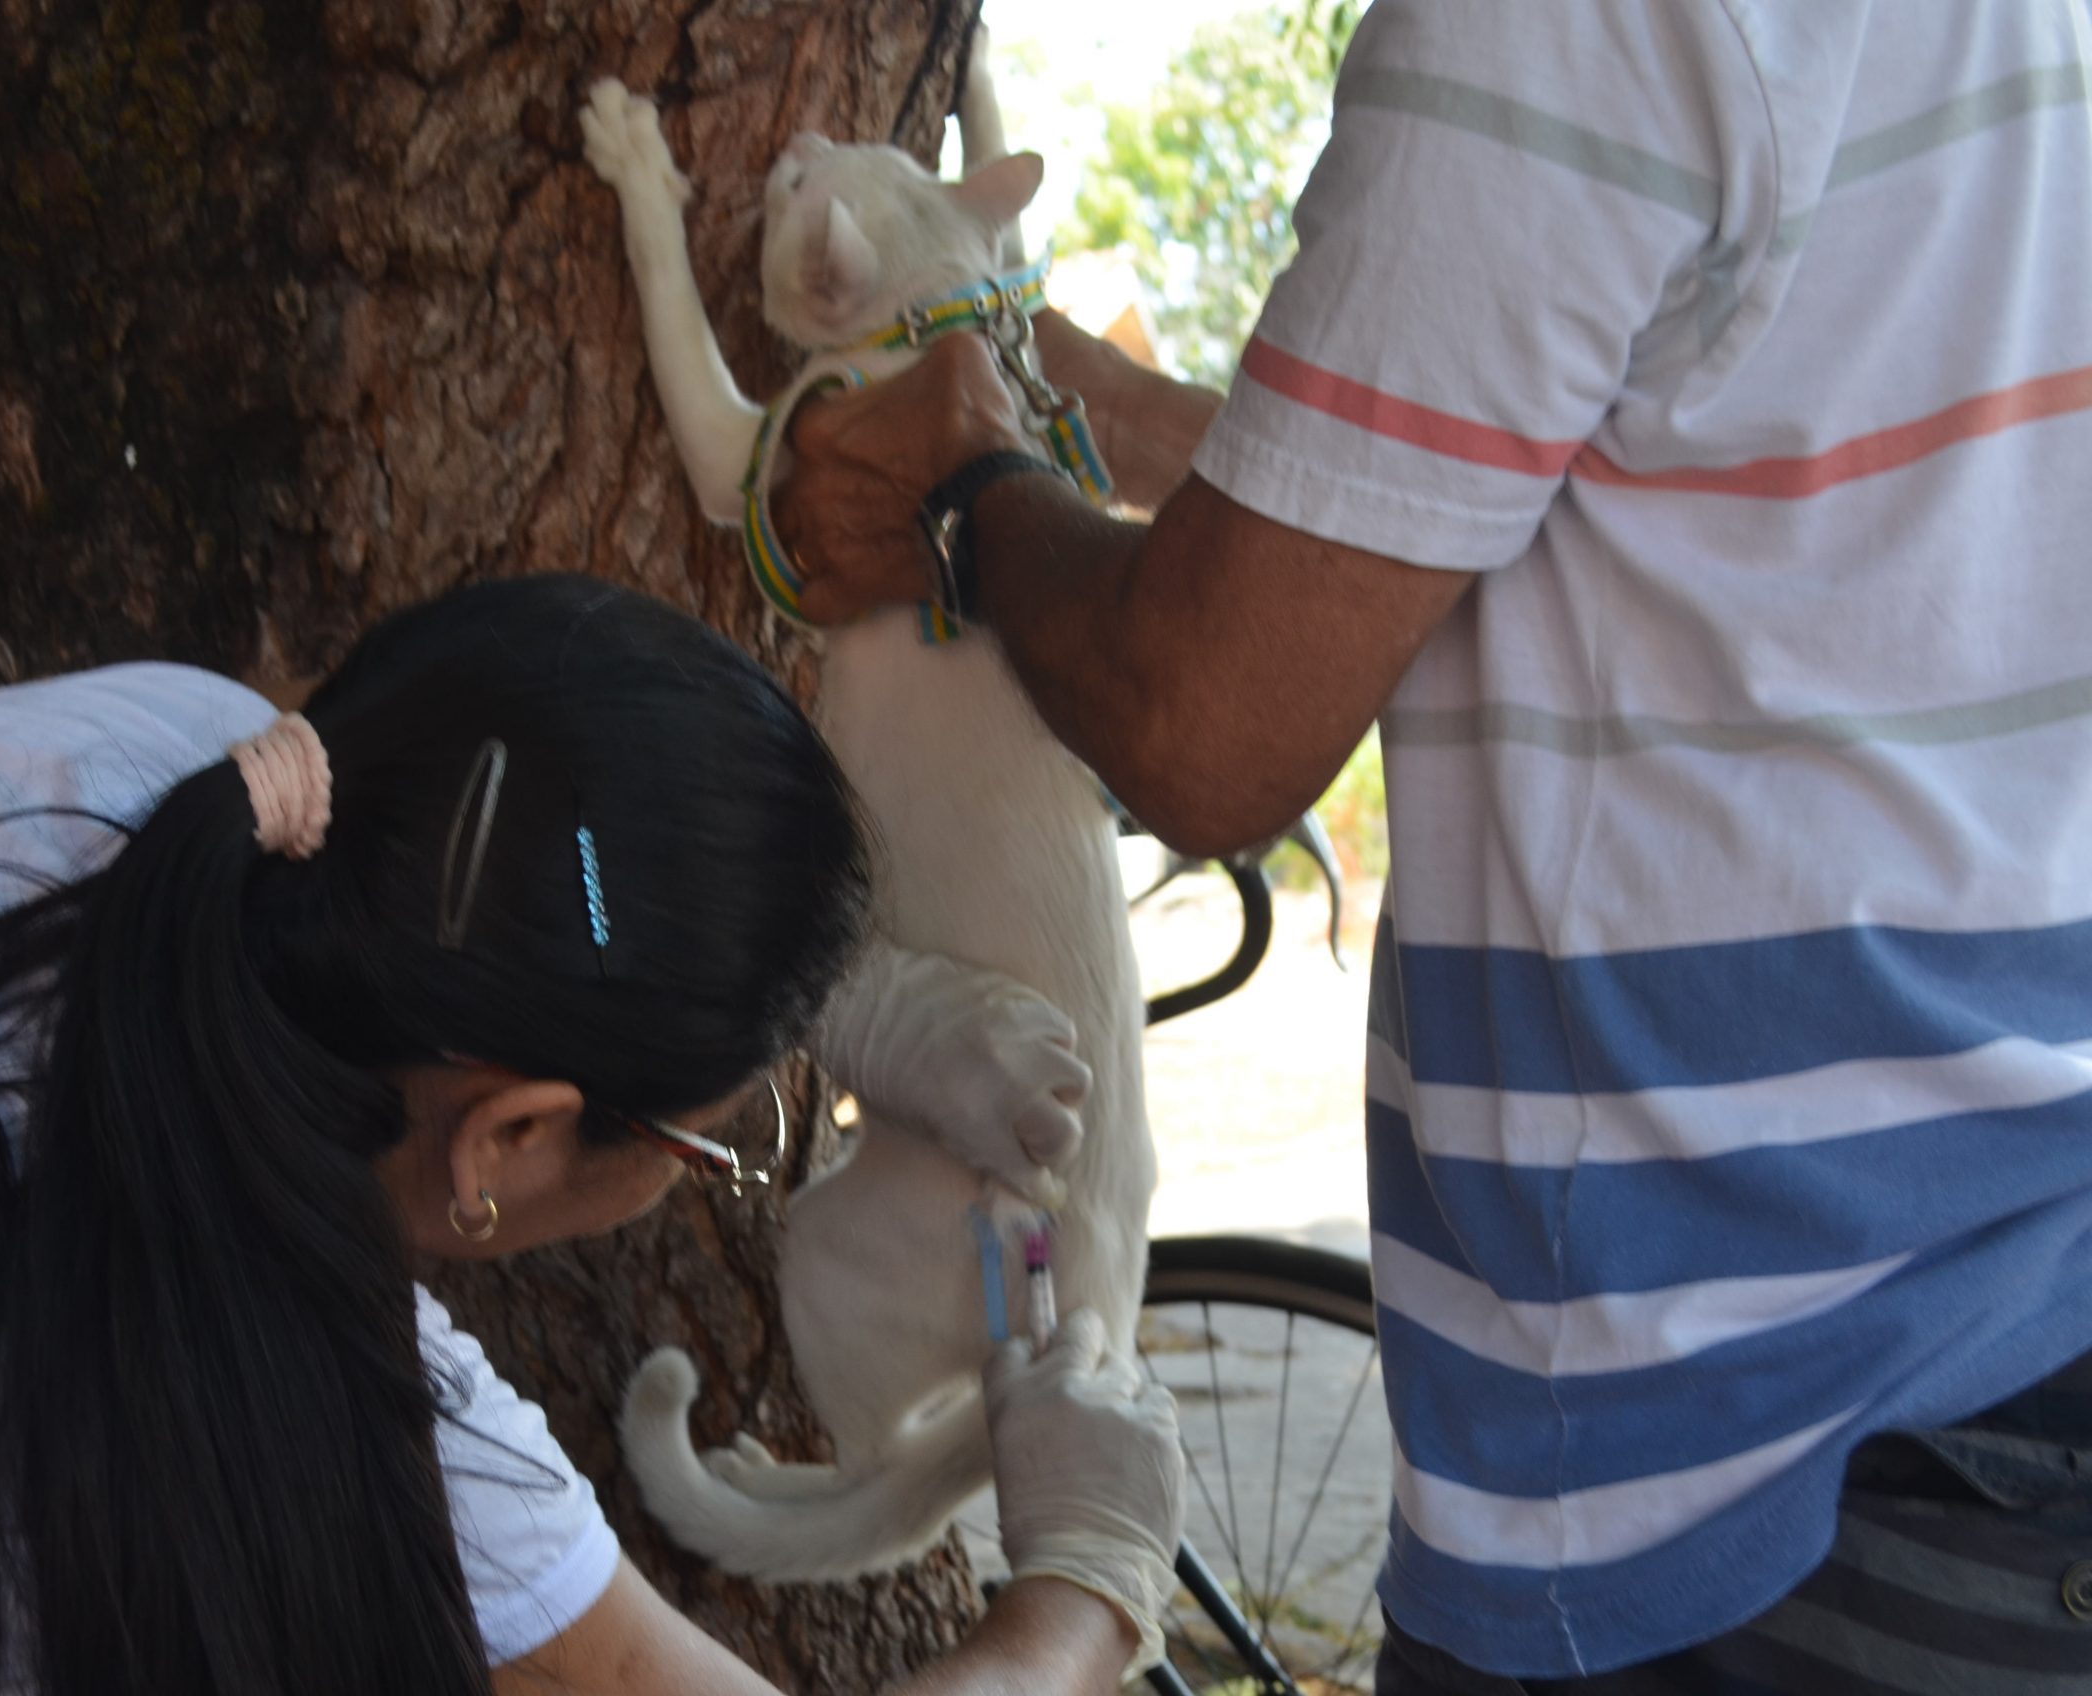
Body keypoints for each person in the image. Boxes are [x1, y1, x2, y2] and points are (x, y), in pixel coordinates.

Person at [770, 2, 2092, 1691]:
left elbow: (1207, 725)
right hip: (2015, 1309)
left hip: (1737, 1427)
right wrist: (1079, 408)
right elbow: (1476, 492)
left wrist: (964, 490)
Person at [0, 574, 1181, 1695]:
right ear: (510, 1138)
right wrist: (1086, 1588)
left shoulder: (202, 762)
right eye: (710, 1151)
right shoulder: (320, 1411)